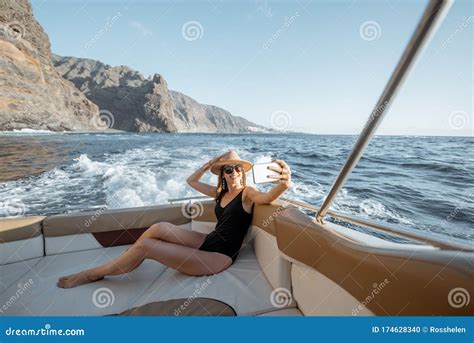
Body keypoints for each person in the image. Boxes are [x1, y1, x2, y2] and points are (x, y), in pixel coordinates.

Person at [57, 150, 291, 288]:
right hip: (210, 241)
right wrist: (208, 165)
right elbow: (191, 181)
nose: (234, 173)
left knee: (148, 245)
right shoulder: (220, 193)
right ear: (223, 174)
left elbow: (268, 195)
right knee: (159, 227)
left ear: (244, 171)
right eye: (228, 170)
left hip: (220, 256)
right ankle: (127, 259)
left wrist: (284, 183)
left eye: (238, 168)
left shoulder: (247, 193)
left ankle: (94, 273)